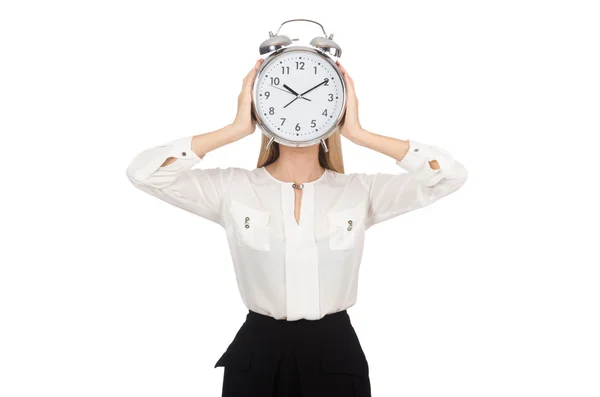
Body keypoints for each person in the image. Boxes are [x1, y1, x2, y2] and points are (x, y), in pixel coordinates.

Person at [125, 58, 468, 397]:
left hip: (335, 356)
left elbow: (449, 176)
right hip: (257, 357)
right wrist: (235, 129)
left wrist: (359, 134)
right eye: (282, 97)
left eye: (319, 98)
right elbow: (144, 174)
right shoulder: (232, 189)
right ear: (261, 109)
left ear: (336, 110)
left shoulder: (359, 192)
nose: (301, 113)